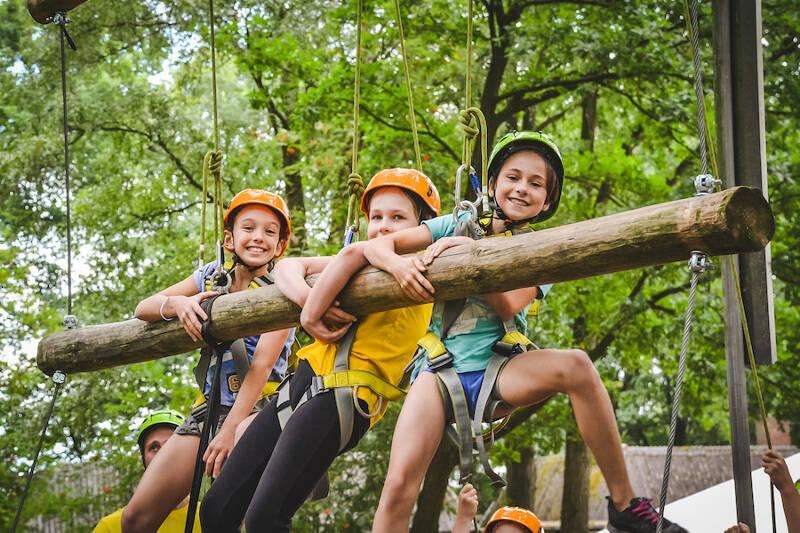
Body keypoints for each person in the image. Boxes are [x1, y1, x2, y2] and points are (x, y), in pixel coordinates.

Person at [341, 132, 688, 533]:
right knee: (400, 483)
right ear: (492, 184)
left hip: (499, 369)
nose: (522, 188)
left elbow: (506, 304)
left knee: (576, 365)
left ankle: (625, 504)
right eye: (513, 177)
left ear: (547, 200)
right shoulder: (454, 223)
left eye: (535, 183)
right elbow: (380, 248)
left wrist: (465, 250)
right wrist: (406, 264)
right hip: (440, 371)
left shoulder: (540, 248)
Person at [199, 168, 439, 532]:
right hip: (301, 385)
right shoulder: (358, 263)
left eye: (397, 217)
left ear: (424, 227)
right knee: (217, 508)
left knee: (265, 518)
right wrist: (309, 301)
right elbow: (289, 267)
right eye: (376, 217)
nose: (384, 227)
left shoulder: (426, 264)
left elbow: (363, 249)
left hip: (343, 396)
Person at [121, 189, 296, 532]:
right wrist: (175, 304)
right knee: (135, 518)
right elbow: (144, 307)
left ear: (279, 246)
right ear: (229, 239)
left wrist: (229, 430)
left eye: (269, 231)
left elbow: (260, 366)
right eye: (248, 228)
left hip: (258, 408)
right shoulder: (213, 277)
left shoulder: (282, 287)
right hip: (209, 409)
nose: (258, 237)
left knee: (232, 512)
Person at [93, 410, 200, 533]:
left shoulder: (211, 517)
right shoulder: (110, 527)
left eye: (170, 445)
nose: (163, 454)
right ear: (143, 459)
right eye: (154, 447)